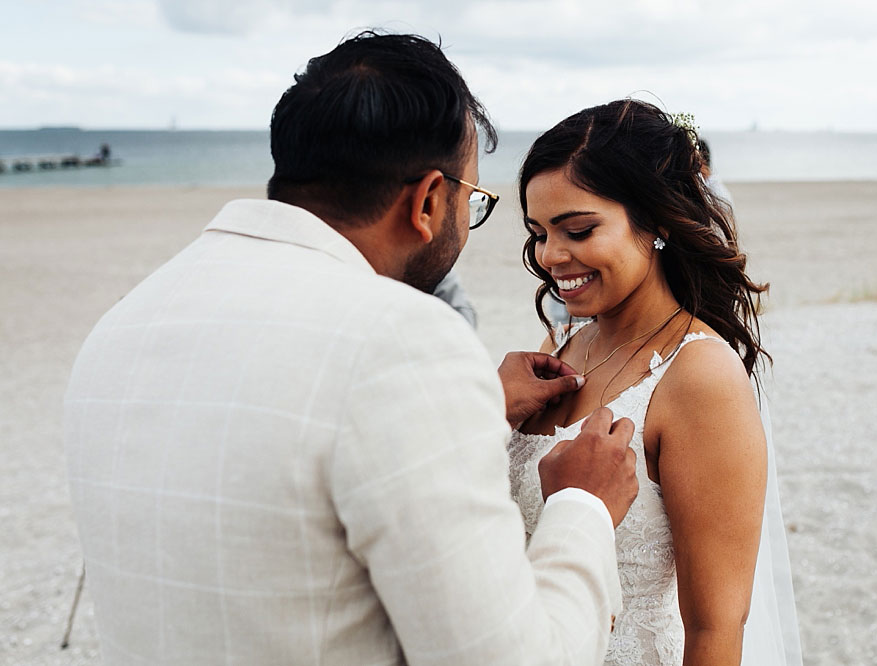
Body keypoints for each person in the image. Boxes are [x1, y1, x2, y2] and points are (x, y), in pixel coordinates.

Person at [64, 32, 640, 665]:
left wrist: (468, 412)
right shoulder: (401, 343)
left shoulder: (126, 322)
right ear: (427, 201)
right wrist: (582, 507)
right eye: (472, 200)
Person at [507, 100, 802, 665]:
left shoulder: (700, 376)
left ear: (658, 219)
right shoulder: (561, 348)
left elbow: (716, 629)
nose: (551, 256)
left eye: (578, 229)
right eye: (538, 232)